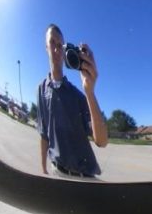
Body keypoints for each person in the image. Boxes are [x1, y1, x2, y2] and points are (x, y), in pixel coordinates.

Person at [37, 24, 108, 178]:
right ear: (46, 47)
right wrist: (43, 171)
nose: (56, 49)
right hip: (56, 172)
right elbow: (44, 134)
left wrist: (89, 92)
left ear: (64, 51)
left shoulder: (78, 96)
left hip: (85, 177)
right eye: (52, 43)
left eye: (59, 45)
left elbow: (102, 141)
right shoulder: (41, 89)